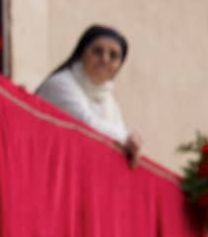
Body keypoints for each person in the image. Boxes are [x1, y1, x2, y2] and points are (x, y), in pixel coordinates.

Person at [35, 25, 141, 165]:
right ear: (82, 53)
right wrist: (127, 138)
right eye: (97, 51)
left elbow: (118, 143)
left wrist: (129, 143)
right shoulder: (60, 83)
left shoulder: (109, 101)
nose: (105, 59)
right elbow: (88, 125)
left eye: (113, 55)